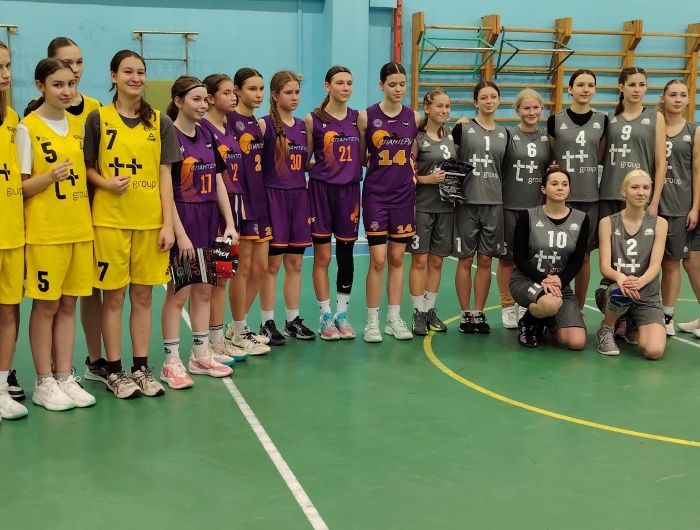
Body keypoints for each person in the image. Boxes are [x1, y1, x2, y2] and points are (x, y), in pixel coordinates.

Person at [84, 50, 179, 399]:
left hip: (149, 222)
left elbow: (165, 175)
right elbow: (88, 168)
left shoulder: (160, 121)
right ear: (114, 77)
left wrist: (167, 224)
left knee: (143, 297)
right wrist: (105, 183)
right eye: (128, 71)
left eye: (140, 72)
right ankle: (114, 370)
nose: (135, 78)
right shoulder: (98, 118)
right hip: (109, 221)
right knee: (114, 297)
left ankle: (141, 368)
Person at [18, 58, 96, 410]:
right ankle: (43, 380)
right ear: (40, 86)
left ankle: (65, 376)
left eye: (70, 84)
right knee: (46, 304)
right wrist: (49, 176)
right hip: (46, 230)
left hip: (79, 227)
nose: (66, 91)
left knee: (69, 304)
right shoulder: (27, 128)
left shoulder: (80, 126)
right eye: (57, 85)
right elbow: (20, 189)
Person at [160, 76, 236, 389]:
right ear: (178, 101)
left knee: (205, 288)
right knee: (179, 293)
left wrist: (229, 222)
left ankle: (201, 354)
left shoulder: (206, 132)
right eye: (196, 99)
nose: (203, 105)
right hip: (185, 219)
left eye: (205, 99)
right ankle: (171, 361)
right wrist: (180, 233)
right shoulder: (170, 134)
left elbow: (218, 179)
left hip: (209, 220)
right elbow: (167, 188)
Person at [358, 62, 420, 342]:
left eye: (402, 84)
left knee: (397, 258)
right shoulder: (367, 116)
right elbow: (363, 157)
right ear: (381, 85)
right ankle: (372, 321)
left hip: (404, 196)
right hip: (376, 196)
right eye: (392, 84)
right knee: (378, 260)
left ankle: (394, 318)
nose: (398, 89)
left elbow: (419, 148)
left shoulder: (414, 117)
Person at [257, 71, 315, 345]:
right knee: (272, 265)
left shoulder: (303, 126)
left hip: (299, 197)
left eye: (297, 92)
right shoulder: (264, 125)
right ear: (275, 95)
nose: (294, 97)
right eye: (288, 92)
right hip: (273, 199)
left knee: (295, 263)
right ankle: (267, 322)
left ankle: (292, 320)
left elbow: (303, 164)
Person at [304, 66, 362, 340]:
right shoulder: (313, 119)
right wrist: (326, 167)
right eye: (340, 83)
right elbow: (305, 159)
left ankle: (342, 314)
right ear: (327, 86)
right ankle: (325, 315)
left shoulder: (358, 118)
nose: (346, 88)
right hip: (321, 191)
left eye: (349, 83)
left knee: (346, 255)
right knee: (323, 257)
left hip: (349, 192)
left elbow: (364, 156)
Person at [451, 80, 508, 334]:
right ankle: (465, 314)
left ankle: (478, 313)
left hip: (493, 203)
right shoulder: (462, 129)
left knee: (485, 260)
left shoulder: (505, 134)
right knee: (465, 260)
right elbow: (449, 159)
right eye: (483, 97)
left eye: (493, 97)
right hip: (467, 202)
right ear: (475, 102)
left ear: (499, 100)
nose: (489, 101)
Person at [510, 166, 588, 350]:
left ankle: (547, 319)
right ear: (543, 189)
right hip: (527, 281)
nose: (560, 187)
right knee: (551, 302)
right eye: (554, 184)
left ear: (569, 189)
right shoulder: (527, 216)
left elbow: (577, 261)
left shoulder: (581, 219)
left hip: (559, 285)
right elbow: (519, 258)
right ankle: (528, 322)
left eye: (564, 184)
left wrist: (560, 281)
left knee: (576, 342)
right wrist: (543, 279)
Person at [221, 68, 271, 355]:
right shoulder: (228, 121)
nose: (258, 94)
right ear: (237, 91)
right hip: (240, 201)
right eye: (252, 89)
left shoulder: (259, 124)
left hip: (260, 199)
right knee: (244, 267)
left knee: (261, 268)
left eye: (261, 89)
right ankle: (239, 330)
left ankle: (236, 326)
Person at [548, 69, 607, 310]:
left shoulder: (603, 120)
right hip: (561, 199)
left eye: (590, 85)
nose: (585, 89)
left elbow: (599, 156)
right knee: (555, 254)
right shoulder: (555, 120)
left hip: (589, 196)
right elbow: (552, 156)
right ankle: (555, 304)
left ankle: (578, 309)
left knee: (583, 257)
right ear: (570, 89)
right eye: (580, 85)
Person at [200, 74, 249, 362]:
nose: (233, 97)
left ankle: (217, 339)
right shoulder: (204, 129)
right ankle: (212, 341)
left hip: (233, 207)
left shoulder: (229, 128)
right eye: (227, 93)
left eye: (234, 92)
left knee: (224, 275)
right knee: (215, 278)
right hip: (216, 210)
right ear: (210, 98)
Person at [595, 170, 668, 359]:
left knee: (654, 351)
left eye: (646, 188)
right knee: (620, 293)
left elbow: (655, 266)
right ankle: (607, 327)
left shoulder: (660, 223)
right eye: (635, 187)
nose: (641, 192)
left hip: (646, 295)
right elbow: (605, 267)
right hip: (614, 290)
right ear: (624, 191)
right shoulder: (607, 223)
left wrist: (639, 282)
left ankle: (630, 323)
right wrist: (621, 279)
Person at [498, 89, 551, 329]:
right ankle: (507, 305)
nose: (531, 112)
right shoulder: (508, 135)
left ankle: (525, 301)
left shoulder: (548, 137)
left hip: (538, 209)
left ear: (542, 109)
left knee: (532, 260)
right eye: (526, 108)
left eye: (535, 107)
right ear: (517, 110)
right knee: (507, 259)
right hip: (511, 206)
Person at [408, 89, 454, 335]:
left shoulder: (452, 135)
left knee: (437, 261)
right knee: (420, 260)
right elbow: (405, 174)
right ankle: (418, 312)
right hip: (422, 207)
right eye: (439, 106)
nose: (444, 110)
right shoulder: (417, 138)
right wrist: (427, 179)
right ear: (427, 108)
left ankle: (429, 310)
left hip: (446, 208)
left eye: (447, 106)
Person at [656, 80, 699, 335]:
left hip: (680, 207)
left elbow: (697, 171)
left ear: (688, 100)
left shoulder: (694, 131)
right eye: (672, 94)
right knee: (648, 264)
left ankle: (667, 317)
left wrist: (695, 207)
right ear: (663, 98)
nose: (678, 99)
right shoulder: (652, 126)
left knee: (673, 263)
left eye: (683, 95)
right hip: (652, 205)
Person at [0, 40, 28, 419]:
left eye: (8, 66)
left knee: (8, 312)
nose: (6, 74)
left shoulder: (11, 118)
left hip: (11, 233)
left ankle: (3, 384)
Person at [599, 67, 666, 219]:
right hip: (609, 193)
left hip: (640, 196)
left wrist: (654, 202)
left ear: (646, 87)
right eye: (632, 85)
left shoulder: (656, 118)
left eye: (642, 85)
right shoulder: (610, 116)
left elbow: (661, 163)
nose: (637, 90)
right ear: (621, 87)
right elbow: (599, 156)